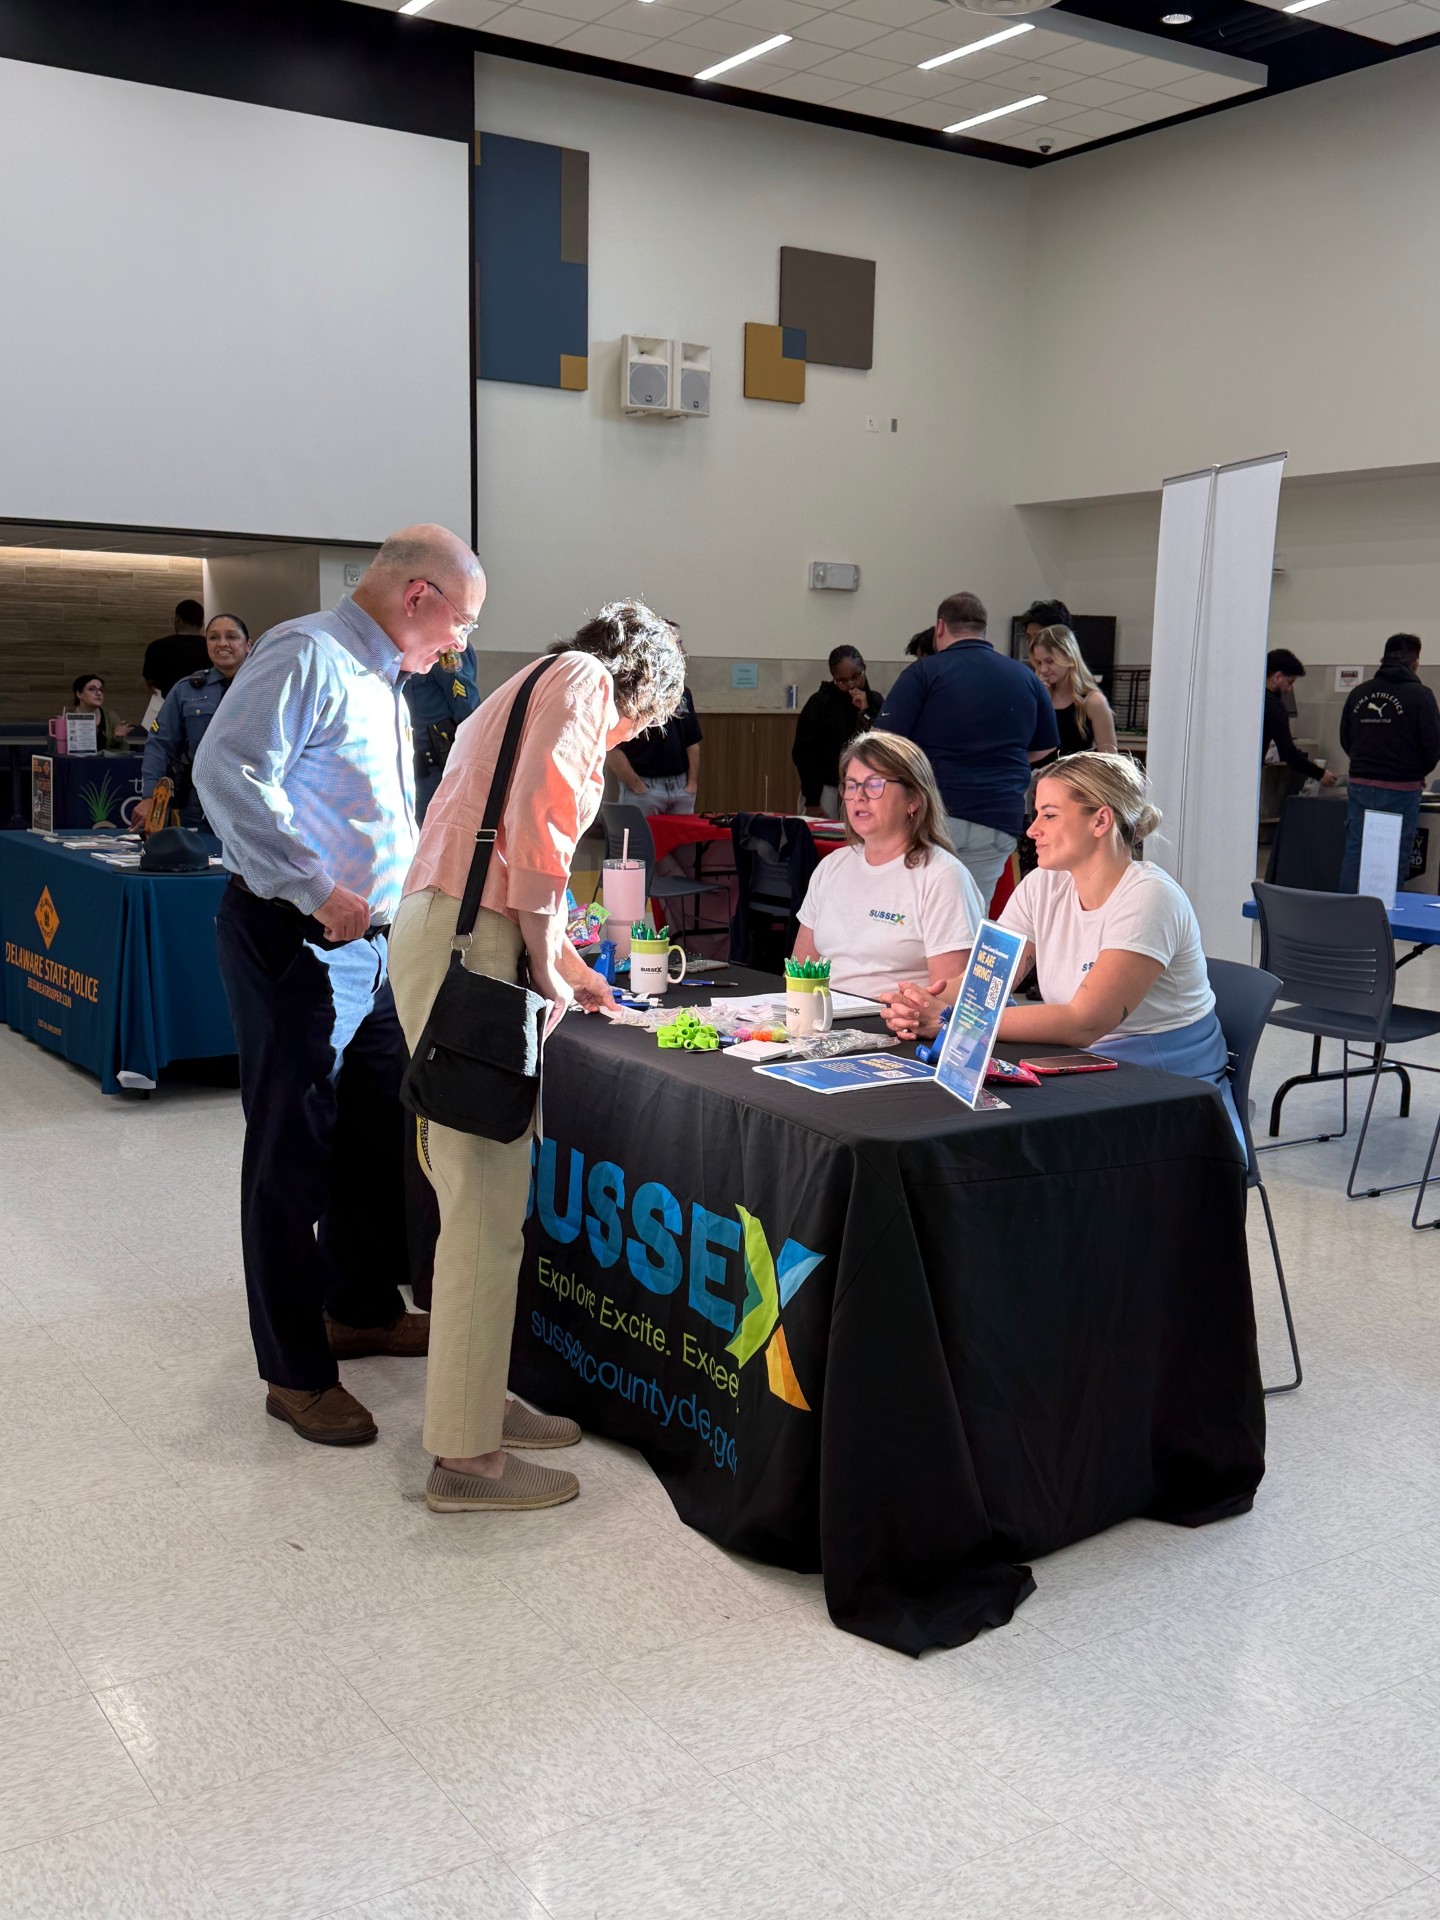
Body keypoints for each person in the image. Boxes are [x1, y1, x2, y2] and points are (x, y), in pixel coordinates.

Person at [389, 600, 685, 1515]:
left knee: (481, 1194)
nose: (628, 739)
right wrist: (551, 967)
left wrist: (568, 967)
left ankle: (477, 1401)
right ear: (643, 691)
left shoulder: (529, 681)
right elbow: (540, 830)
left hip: (454, 929)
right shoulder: (586, 683)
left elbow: (509, 843)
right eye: (642, 725)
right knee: (485, 1206)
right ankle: (466, 1458)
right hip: (471, 939)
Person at [193, 526, 485, 1449]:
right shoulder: (307, 652)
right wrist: (315, 888)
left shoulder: (385, 677)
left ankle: (358, 1308)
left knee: (370, 1139)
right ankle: (294, 1372)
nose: (461, 644)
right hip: (301, 937)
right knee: (292, 1151)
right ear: (419, 596)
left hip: (377, 948)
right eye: (462, 622)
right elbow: (227, 771)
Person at [881, 752, 1242, 1147]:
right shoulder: (1043, 883)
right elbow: (984, 983)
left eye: (1049, 815)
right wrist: (919, 1003)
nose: (1032, 830)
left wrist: (956, 1022)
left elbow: (1083, 1022)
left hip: (1168, 1089)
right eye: (1036, 814)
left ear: (1100, 821)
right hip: (1086, 1068)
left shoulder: (1150, 898)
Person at [875, 590, 1058, 905]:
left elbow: (882, 743)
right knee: (972, 911)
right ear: (984, 630)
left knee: (919, 911)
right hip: (999, 817)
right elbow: (1045, 747)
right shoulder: (1024, 676)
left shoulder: (925, 672)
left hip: (935, 813)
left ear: (940, 628)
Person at [792, 732, 983, 1000]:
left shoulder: (943, 876)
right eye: (851, 785)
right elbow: (800, 973)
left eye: (874, 785)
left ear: (913, 799)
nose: (859, 796)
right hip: (823, 1019)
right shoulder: (831, 866)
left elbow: (949, 998)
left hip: (893, 1021)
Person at [1339, 633, 1440, 894]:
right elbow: (1433, 746)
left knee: (1356, 851)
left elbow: (1346, 738)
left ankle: (1344, 911)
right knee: (1391, 857)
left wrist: (1364, 766)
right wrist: (1414, 772)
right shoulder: (1421, 696)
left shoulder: (1359, 693)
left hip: (1360, 785)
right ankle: (1385, 913)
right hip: (1401, 789)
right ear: (1416, 662)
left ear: (1382, 659)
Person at [129, 615, 252, 828]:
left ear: (248, 645)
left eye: (231, 637)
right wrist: (150, 796)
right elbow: (160, 745)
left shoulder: (267, 689)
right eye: (214, 637)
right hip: (198, 801)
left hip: (252, 800)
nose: (222, 643)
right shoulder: (186, 690)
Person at [606, 617, 702, 816]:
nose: (682, 651)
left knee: (682, 838)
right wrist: (636, 785)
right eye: (677, 644)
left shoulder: (683, 693)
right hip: (644, 788)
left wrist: (691, 783)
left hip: (680, 787)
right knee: (640, 838)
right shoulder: (630, 693)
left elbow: (692, 741)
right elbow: (611, 748)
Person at [791, 646, 885, 816]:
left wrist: (865, 713)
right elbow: (804, 754)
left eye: (856, 676)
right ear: (834, 678)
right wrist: (812, 800)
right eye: (842, 681)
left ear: (864, 669)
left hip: (866, 788)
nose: (851, 685)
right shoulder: (820, 703)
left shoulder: (875, 702)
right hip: (826, 790)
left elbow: (882, 744)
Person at [404, 642, 480, 822]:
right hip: (411, 765)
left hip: (438, 765)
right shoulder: (410, 642)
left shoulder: (446, 647)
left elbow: (467, 709)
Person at [1029, 624, 1117, 757]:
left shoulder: (1093, 701)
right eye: (1039, 663)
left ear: (1069, 656)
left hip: (1075, 770)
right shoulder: (1038, 696)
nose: (1043, 669)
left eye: (1050, 661)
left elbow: (1110, 757)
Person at [1263, 649, 1336, 789]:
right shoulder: (1273, 706)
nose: (1289, 689)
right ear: (1277, 677)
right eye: (1289, 682)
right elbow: (1288, 753)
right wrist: (1320, 774)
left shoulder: (1248, 697)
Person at [142, 599, 209, 701]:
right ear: (201, 622)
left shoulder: (157, 646)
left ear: (177, 619)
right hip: (206, 704)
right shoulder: (212, 647)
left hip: (169, 703)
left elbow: (150, 681)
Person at [70, 673, 132, 748]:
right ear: (79, 694)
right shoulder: (67, 718)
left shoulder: (110, 717)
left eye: (101, 690)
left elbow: (124, 751)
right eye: (92, 689)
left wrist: (118, 738)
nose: (99, 693)